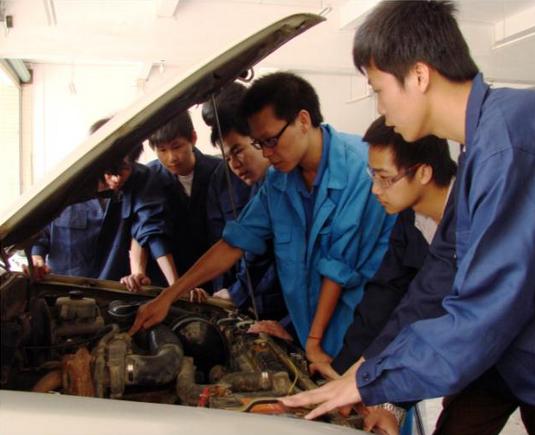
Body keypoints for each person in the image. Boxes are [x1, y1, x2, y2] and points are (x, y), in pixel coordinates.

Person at [281, 1, 535, 433]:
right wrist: (367, 368)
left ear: (418, 75)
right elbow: (435, 280)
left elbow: (483, 309)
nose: (380, 108)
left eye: (378, 89)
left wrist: (371, 380)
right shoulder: (480, 148)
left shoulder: (506, 145)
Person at [130, 72, 395, 364]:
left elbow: (338, 267)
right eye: (259, 144)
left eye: (271, 141)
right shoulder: (279, 182)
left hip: (365, 337)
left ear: (303, 120)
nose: (267, 154)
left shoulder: (361, 169)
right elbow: (234, 243)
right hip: (312, 338)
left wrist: (313, 342)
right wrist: (169, 296)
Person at [312, 115, 457, 435]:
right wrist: (342, 376)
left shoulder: (475, 215)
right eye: (372, 175)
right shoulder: (410, 216)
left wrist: (380, 393)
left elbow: (425, 315)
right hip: (483, 372)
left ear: (423, 172)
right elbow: (384, 295)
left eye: (385, 178)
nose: (375, 189)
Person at [31, 118, 177, 286]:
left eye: (124, 169)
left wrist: (173, 284)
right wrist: (36, 260)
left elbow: (149, 231)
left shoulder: (141, 182)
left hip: (113, 291)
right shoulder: (63, 185)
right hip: (64, 288)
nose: (116, 179)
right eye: (110, 169)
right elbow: (39, 235)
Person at [200, 82, 289, 325]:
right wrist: (227, 296)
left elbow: (267, 252)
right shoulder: (221, 180)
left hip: (284, 302)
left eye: (238, 151)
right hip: (246, 302)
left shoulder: (286, 179)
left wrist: (237, 292)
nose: (235, 164)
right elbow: (224, 245)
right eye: (227, 156)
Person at [120, 111, 220, 291]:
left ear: (193, 138)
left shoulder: (218, 171)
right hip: (166, 282)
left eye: (177, 146)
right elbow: (142, 230)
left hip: (214, 276)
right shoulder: (148, 178)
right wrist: (138, 272)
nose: (171, 157)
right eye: (162, 150)